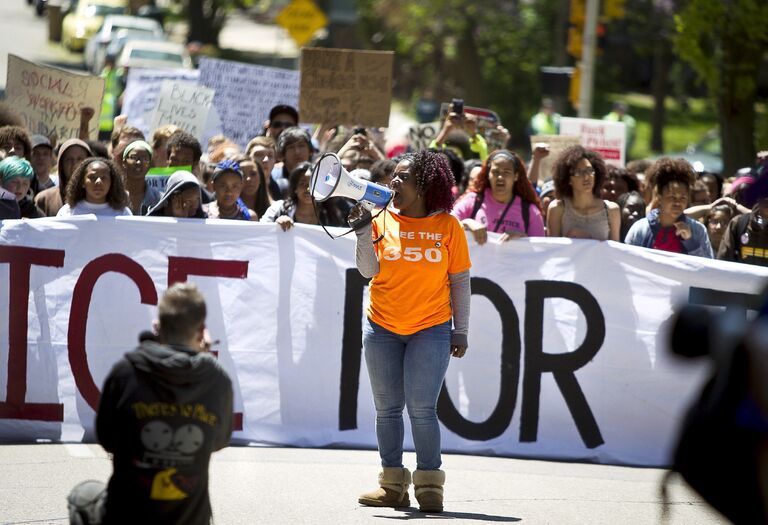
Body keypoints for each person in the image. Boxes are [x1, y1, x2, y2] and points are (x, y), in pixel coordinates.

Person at [351, 150, 471, 513]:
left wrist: (460, 330)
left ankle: (430, 485)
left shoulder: (448, 226)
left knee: (422, 409)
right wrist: (361, 233)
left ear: (425, 186)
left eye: (403, 177)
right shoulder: (380, 218)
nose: (394, 182)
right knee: (387, 410)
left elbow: (460, 281)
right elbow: (367, 272)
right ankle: (391, 485)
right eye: (394, 176)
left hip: (431, 329)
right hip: (381, 327)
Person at [70, 282, 233, 525]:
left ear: (158, 327)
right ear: (201, 332)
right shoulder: (218, 381)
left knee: (81, 495)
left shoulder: (125, 372)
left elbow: (107, 438)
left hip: (127, 517)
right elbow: (219, 440)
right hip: (190, 520)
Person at [624, 158, 713, 257]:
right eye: (672, 197)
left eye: (683, 198)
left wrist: (690, 242)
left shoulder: (698, 230)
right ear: (659, 197)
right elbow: (627, 263)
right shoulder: (640, 229)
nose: (677, 203)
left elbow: (707, 268)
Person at [451, 149, 544, 244]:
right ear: (488, 175)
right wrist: (467, 222)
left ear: (516, 176)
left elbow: (541, 249)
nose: (500, 177)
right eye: (495, 172)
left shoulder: (530, 211)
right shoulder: (473, 201)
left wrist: (523, 239)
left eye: (506, 172)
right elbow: (446, 224)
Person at [546, 145, 621, 241]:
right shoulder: (557, 209)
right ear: (568, 179)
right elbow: (553, 250)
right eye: (578, 172)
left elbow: (615, 251)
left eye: (590, 171)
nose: (586, 177)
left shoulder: (611, 210)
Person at [260, 161, 343, 230]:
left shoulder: (331, 215)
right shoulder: (278, 209)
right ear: (295, 188)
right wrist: (276, 225)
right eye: (303, 184)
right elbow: (260, 232)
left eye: (313, 184)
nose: (308, 189)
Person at [57, 157, 132, 217]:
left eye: (103, 178)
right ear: (82, 182)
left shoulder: (123, 213)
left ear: (111, 182)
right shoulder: (67, 212)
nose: (98, 181)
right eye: (92, 177)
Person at [35, 139, 92, 217]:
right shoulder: (44, 199)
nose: (74, 164)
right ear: (61, 165)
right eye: (69, 159)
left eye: (80, 159)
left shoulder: (99, 200)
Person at [271, 126, 313, 200]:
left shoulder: (319, 178)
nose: (297, 152)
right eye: (291, 147)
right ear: (282, 154)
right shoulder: (273, 180)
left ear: (310, 151)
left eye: (301, 146)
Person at [123, 140, 162, 215]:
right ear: (124, 162)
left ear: (150, 165)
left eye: (145, 159)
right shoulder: (112, 196)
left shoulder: (159, 199)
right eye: (133, 157)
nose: (138, 163)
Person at [233, 154, 272, 218]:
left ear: (261, 178)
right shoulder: (226, 212)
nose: (248, 179)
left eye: (253, 174)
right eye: (242, 175)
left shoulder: (275, 209)